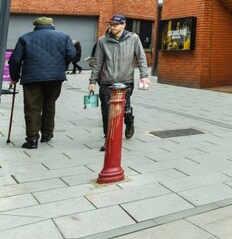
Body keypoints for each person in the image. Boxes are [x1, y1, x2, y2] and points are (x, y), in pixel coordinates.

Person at [8, 17, 76, 149]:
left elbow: (15, 61)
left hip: (32, 78)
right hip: (55, 77)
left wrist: (14, 77)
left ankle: (32, 140)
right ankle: (47, 134)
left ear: (35, 26)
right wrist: (62, 67)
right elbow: (72, 54)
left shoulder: (25, 38)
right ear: (51, 25)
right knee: (49, 104)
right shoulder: (64, 36)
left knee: (32, 108)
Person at [88, 14, 150, 150]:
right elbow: (97, 62)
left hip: (125, 81)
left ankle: (129, 121)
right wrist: (92, 80)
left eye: (115, 25)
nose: (112, 27)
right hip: (106, 82)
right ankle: (108, 138)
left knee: (125, 108)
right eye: (111, 24)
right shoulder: (103, 40)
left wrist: (144, 75)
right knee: (106, 110)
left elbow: (141, 57)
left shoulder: (133, 38)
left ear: (123, 25)